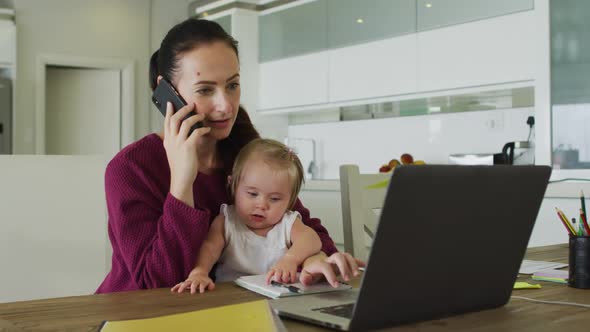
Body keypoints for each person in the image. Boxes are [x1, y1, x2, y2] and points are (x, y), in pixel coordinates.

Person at [96, 18, 362, 294]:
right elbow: (158, 284)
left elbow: (298, 223)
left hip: (226, 308)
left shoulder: (245, 149)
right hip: (135, 315)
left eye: (232, 85)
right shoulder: (130, 168)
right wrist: (182, 185)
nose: (225, 106)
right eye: (205, 90)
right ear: (167, 93)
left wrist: (317, 259)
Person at [172, 138, 322, 294]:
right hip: (231, 295)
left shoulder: (286, 222)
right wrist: (199, 272)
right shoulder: (227, 220)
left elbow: (311, 239)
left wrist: (291, 259)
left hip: (275, 295)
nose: (262, 205)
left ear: (290, 201)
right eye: (252, 194)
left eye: (275, 199)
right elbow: (209, 248)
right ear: (233, 186)